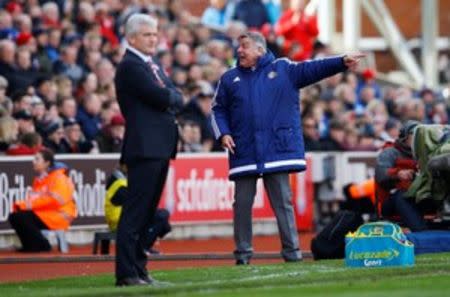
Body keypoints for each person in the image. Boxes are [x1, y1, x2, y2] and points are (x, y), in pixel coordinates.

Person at [211, 31, 363, 265]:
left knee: (283, 203)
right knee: (242, 204)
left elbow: (313, 68)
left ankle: (292, 254)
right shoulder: (229, 78)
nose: (239, 50)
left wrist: (341, 62)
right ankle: (242, 256)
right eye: (238, 47)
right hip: (243, 150)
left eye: (245, 46)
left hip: (276, 150)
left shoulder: (283, 69)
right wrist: (224, 133)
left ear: (260, 50)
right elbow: (217, 109)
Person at [114, 14, 182, 286]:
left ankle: (139, 269)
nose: (153, 39)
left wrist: (172, 97)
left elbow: (174, 94)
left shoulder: (150, 64)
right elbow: (164, 96)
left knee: (147, 213)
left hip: (158, 146)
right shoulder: (131, 66)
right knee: (135, 213)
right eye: (147, 35)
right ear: (131, 38)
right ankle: (127, 272)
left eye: (155, 34)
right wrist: (171, 97)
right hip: (145, 147)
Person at [8, 149, 77, 252]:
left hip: (60, 215)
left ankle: (42, 245)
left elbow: (55, 201)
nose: (33, 161)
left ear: (46, 163)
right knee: (15, 216)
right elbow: (36, 199)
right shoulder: (40, 180)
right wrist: (23, 205)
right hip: (46, 213)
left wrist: (24, 205)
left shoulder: (58, 178)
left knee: (21, 216)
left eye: (37, 159)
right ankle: (31, 246)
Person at [104, 164, 172, 255]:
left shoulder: (118, 182)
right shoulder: (120, 185)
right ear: (125, 167)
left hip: (123, 218)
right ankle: (143, 247)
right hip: (120, 221)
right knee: (162, 216)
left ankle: (144, 245)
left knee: (163, 220)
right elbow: (135, 204)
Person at [375, 120, 429, 231]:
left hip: (417, 196)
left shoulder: (424, 154)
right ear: (404, 137)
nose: (418, 140)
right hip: (391, 201)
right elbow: (381, 174)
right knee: (403, 195)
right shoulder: (390, 152)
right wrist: (398, 174)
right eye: (414, 136)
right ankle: (420, 231)